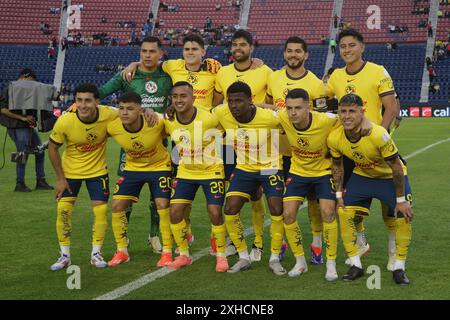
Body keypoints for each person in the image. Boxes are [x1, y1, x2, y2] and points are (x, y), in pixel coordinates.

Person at [325, 28, 399, 271]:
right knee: (347, 202)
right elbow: (324, 102)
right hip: (349, 150)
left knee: (390, 204)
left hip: (377, 148)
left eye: (351, 45)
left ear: (362, 47)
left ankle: (393, 249)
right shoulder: (335, 76)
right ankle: (361, 241)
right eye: (343, 46)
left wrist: (381, 135)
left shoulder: (377, 71)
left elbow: (391, 106)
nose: (347, 50)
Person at [328, 93, 413, 285]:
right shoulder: (335, 137)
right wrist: (339, 194)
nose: (347, 116)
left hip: (389, 177)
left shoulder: (377, 134)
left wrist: (401, 201)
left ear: (362, 112)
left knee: (403, 216)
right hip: (363, 176)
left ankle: (399, 267)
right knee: (343, 212)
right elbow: (337, 166)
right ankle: (356, 265)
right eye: (343, 111)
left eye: (352, 111)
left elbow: (397, 167)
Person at [98, 36, 172, 254]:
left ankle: (154, 235)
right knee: (125, 196)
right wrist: (80, 102)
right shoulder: (128, 75)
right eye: (143, 51)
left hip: (160, 141)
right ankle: (124, 237)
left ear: (161, 54)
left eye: (152, 51)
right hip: (130, 145)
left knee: (158, 197)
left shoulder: (168, 75)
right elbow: (102, 92)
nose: (147, 55)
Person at [266, 36, 328, 265]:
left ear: (306, 55)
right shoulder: (273, 78)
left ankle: (317, 243)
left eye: (298, 51)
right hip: (276, 152)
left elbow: (322, 118)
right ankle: (280, 242)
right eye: (289, 51)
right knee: (275, 199)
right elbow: (269, 110)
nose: (293, 55)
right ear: (284, 54)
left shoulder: (315, 84)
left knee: (313, 200)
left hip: (307, 155)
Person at [213, 29, 274, 262]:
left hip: (262, 144)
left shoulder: (264, 71)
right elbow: (217, 105)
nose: (238, 49)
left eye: (243, 45)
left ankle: (258, 242)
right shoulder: (223, 72)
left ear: (251, 48)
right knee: (232, 192)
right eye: (235, 45)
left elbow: (270, 104)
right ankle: (231, 240)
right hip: (230, 144)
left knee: (258, 194)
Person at [212, 81, 285, 274]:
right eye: (231, 101)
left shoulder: (269, 118)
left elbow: (287, 113)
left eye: (239, 101)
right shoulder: (222, 113)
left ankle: (275, 258)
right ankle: (243, 256)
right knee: (229, 209)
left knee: (277, 209)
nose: (234, 105)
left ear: (250, 101)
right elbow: (202, 114)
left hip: (270, 167)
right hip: (244, 168)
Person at [48, 84, 118, 270]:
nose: (83, 104)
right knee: (63, 211)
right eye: (79, 100)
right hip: (70, 174)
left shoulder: (109, 113)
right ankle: (64, 256)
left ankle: (96, 253)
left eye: (88, 100)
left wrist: (148, 112)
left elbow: (131, 111)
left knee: (101, 212)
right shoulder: (65, 121)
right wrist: (61, 179)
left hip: (97, 172)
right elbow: (52, 147)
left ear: (97, 101)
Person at [163, 82, 229, 272]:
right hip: (186, 171)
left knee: (215, 212)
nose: (178, 100)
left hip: (212, 170)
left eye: (183, 96)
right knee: (175, 212)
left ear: (193, 98)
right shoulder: (168, 119)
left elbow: (226, 130)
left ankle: (221, 256)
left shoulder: (209, 118)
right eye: (175, 96)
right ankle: (184, 255)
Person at [277, 88, 339, 280]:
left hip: (323, 172)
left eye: (298, 108)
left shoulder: (326, 120)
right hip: (298, 172)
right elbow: (265, 109)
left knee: (328, 213)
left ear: (309, 107)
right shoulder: (283, 116)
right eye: (289, 108)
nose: (293, 112)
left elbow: (346, 119)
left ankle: (331, 263)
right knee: (287, 214)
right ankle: (300, 262)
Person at [106, 92, 173, 268]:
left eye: (130, 109)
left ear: (141, 110)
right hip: (132, 169)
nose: (124, 113)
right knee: (117, 205)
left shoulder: (156, 122)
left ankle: (167, 251)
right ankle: (122, 250)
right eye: (121, 108)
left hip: (159, 167)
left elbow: (178, 130)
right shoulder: (113, 127)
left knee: (162, 205)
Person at [0, 68, 53, 192]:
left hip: (26, 127)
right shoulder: (10, 88)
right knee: (22, 153)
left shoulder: (26, 90)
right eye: (31, 81)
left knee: (40, 150)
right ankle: (20, 184)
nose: (31, 85)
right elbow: (2, 109)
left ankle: (40, 180)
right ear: (25, 76)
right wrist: (23, 118)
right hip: (15, 126)